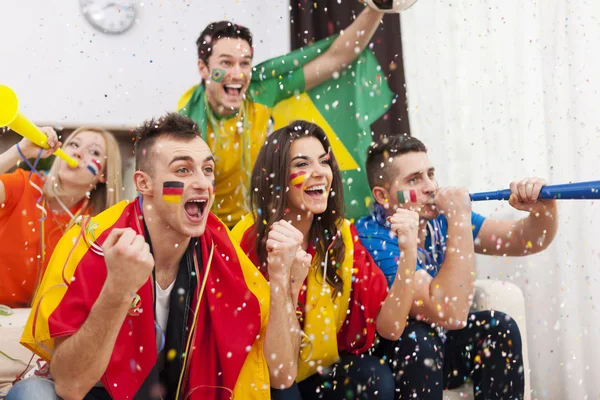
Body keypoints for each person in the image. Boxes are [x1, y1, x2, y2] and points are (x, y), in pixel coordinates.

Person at [7, 113, 271, 400]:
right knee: (32, 394)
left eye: (207, 170)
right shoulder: (93, 240)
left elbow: (272, 368)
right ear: (143, 184)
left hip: (176, 392)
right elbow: (70, 385)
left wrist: (284, 283)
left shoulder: (222, 250)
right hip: (97, 392)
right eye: (182, 170)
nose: (203, 183)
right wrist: (117, 290)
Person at [356, 135, 559, 399]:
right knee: (417, 338)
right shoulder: (371, 237)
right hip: (394, 356)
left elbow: (526, 240)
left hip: (440, 345)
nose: (431, 187)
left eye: (431, 174)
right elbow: (449, 312)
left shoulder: (437, 217)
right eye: (414, 179)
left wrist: (544, 208)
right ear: (382, 196)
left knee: (499, 328)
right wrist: (460, 218)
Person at [232, 120, 414, 399]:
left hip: (319, 372)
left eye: (324, 162)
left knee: (374, 377)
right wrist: (287, 281)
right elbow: (277, 369)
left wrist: (408, 254)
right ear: (276, 178)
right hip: (267, 379)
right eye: (302, 165)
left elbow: (390, 328)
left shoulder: (340, 234)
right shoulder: (247, 241)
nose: (319, 173)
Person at [178, 3, 391, 227]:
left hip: (260, 224)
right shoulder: (188, 121)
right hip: (210, 230)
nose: (237, 74)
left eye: (245, 63)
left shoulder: (260, 92)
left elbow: (336, 59)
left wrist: (378, 7)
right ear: (203, 68)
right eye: (226, 63)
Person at [0, 126, 123, 309]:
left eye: (94, 152)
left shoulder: (99, 224)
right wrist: (21, 150)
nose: (78, 153)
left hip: (39, 324)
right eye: (74, 144)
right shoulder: (26, 185)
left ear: (104, 175)